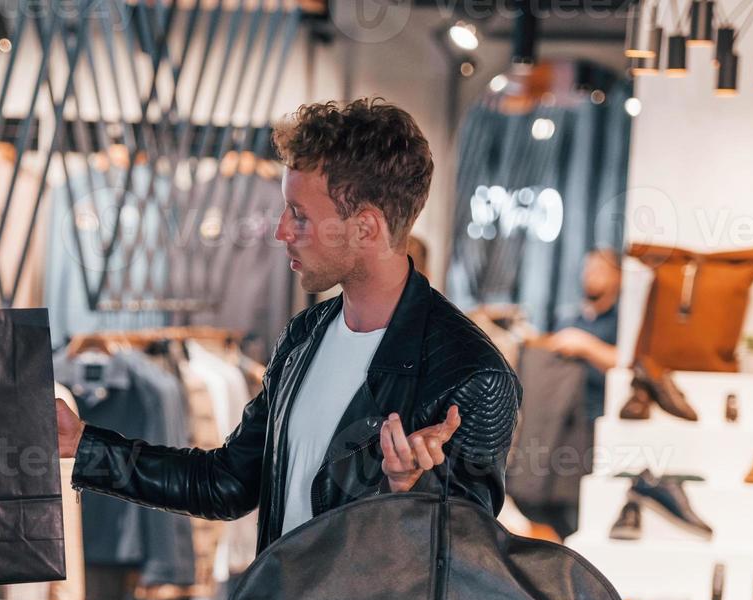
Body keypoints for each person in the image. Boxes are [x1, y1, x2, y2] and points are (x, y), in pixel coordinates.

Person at [56, 99, 520, 552]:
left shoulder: (472, 375)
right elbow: (225, 483)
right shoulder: (303, 337)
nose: (281, 231)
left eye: (299, 215)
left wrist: (406, 495)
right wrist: (84, 445)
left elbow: (464, 572)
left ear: (366, 228)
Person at [534, 247, 622, 420]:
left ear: (618, 277)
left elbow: (625, 364)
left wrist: (585, 346)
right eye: (587, 268)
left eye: (600, 270)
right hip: (558, 414)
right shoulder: (566, 319)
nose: (590, 275)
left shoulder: (620, 323)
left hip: (597, 417)